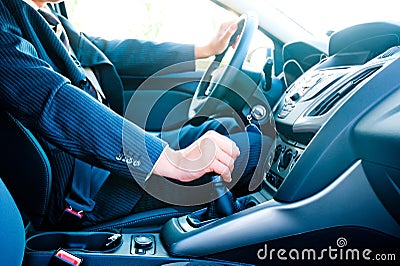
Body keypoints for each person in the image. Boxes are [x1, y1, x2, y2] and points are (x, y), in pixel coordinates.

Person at [0, 0, 270, 228]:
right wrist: (171, 161)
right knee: (255, 150)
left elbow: (108, 52)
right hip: (88, 188)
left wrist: (203, 50)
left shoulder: (48, 17)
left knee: (223, 131)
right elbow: (54, 98)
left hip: (104, 161)